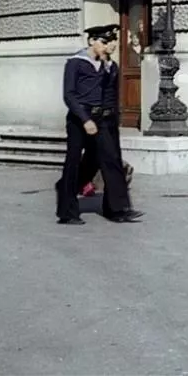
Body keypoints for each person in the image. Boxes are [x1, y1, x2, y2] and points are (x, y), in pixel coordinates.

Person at [56, 24, 142, 225]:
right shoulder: (76, 63)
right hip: (80, 119)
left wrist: (113, 119)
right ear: (91, 41)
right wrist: (85, 119)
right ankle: (67, 212)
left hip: (104, 119)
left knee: (111, 160)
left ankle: (117, 209)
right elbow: (69, 95)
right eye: (104, 42)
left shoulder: (110, 66)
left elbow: (111, 94)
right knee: (73, 162)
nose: (109, 46)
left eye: (111, 42)